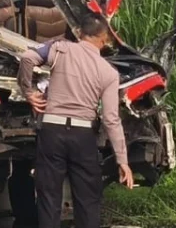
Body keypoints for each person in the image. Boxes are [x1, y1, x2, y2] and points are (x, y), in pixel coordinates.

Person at [17, 13, 134, 228]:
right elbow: (110, 119)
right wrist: (122, 161)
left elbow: (27, 58)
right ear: (103, 38)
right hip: (82, 136)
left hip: (51, 131)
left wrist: (28, 91)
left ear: (79, 33)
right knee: (87, 199)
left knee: (49, 197)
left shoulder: (60, 49)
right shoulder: (108, 72)